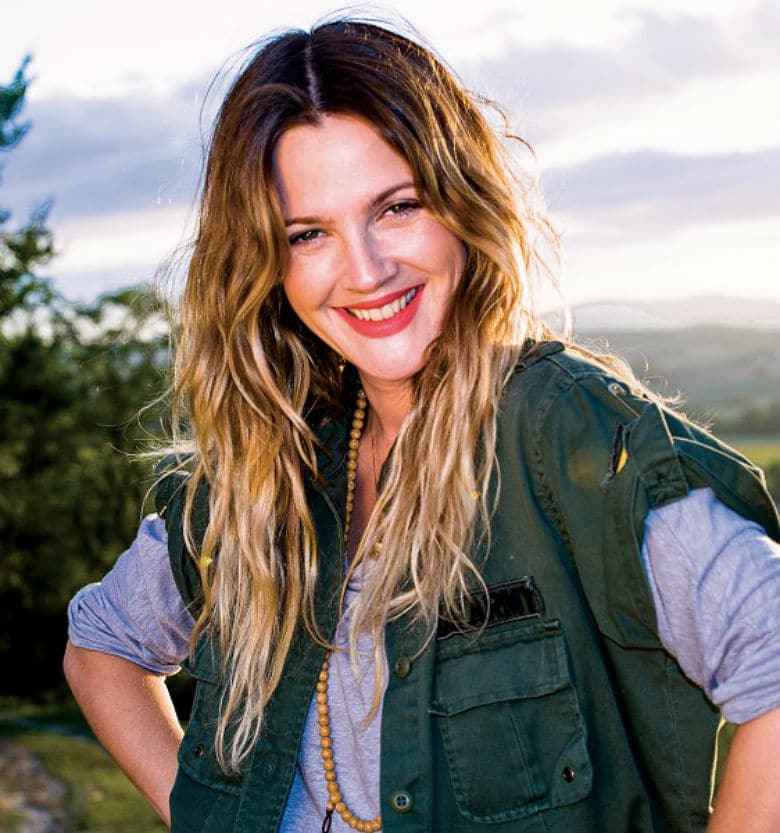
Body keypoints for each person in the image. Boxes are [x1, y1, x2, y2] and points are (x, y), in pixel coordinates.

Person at [63, 18, 780, 833]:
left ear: (462, 201)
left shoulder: (575, 443)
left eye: (397, 207)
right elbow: (100, 649)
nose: (365, 271)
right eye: (309, 234)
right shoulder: (263, 467)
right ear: (266, 261)